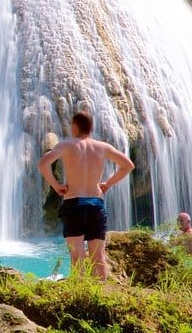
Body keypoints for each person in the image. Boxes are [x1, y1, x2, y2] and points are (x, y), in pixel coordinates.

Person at [37, 111, 135, 280]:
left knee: (77, 256)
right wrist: (108, 184)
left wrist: (56, 185)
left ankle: (80, 291)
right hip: (96, 203)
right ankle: (101, 292)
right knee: (98, 257)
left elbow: (43, 164)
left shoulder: (66, 145)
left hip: (74, 203)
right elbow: (128, 165)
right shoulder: (103, 147)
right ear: (90, 127)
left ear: (75, 126)